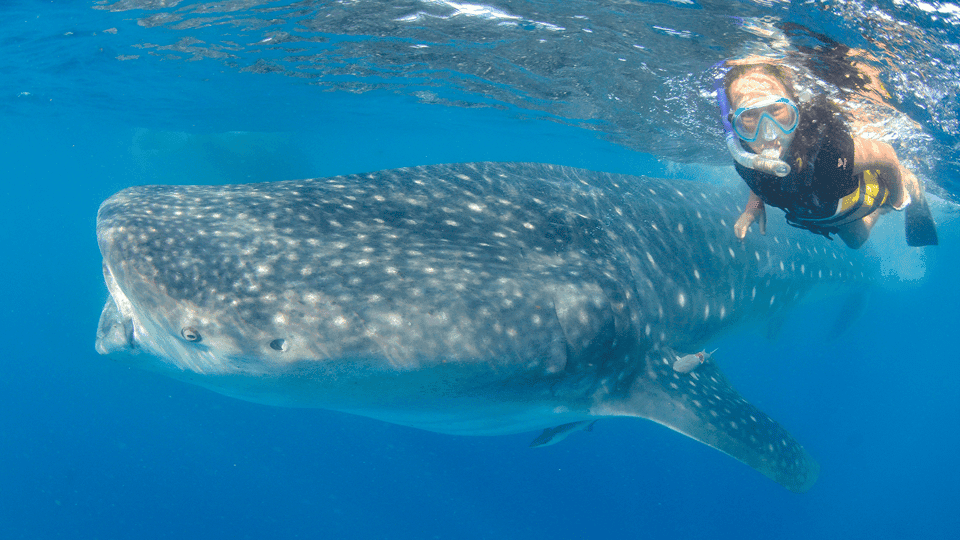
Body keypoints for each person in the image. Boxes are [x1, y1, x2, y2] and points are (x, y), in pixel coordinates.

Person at [717, 63, 937, 248]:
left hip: (848, 190)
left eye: (777, 111)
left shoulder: (829, 150)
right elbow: (760, 180)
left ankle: (910, 181)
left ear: (796, 108)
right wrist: (753, 208)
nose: (769, 133)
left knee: (860, 233)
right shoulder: (744, 158)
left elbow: (887, 155)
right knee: (856, 241)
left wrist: (897, 199)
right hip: (825, 209)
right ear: (734, 123)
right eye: (749, 117)